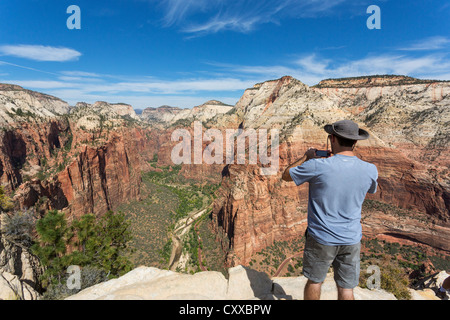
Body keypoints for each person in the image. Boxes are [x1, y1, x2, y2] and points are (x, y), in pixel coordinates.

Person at [282, 120, 378, 300]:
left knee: (315, 281)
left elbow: (286, 175)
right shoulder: (370, 170)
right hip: (351, 239)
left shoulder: (317, 166)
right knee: (346, 288)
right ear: (355, 142)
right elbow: (371, 190)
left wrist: (307, 157)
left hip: (321, 238)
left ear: (332, 138)